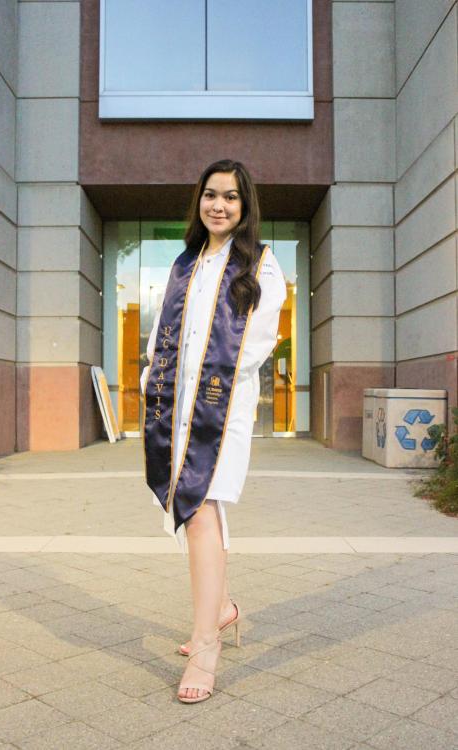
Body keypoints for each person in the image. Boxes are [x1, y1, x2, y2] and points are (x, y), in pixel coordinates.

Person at [141, 159, 287, 703]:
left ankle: (206, 646)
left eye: (230, 197)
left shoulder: (261, 266)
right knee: (188, 509)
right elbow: (163, 334)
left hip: (218, 413)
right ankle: (221, 608)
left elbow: (254, 345)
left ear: (245, 206)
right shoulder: (185, 264)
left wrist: (203, 391)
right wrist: (152, 381)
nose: (218, 205)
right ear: (198, 201)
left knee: (201, 508)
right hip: (173, 408)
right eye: (210, 195)